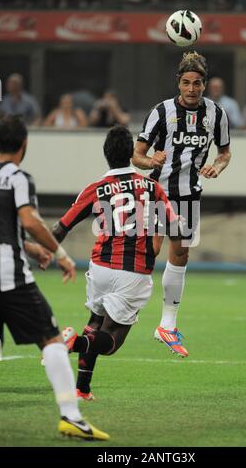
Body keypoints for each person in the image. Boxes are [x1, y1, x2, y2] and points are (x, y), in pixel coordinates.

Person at [0, 115, 109, 440]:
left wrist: (31, 250)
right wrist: (59, 254)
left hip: (8, 263)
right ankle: (71, 416)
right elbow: (29, 220)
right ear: (24, 145)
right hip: (8, 277)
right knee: (52, 340)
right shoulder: (18, 177)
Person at [52, 125, 180, 400]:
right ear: (131, 154)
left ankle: (82, 389)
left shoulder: (96, 188)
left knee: (95, 321)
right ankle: (71, 342)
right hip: (133, 272)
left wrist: (44, 251)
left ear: (106, 154)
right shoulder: (152, 187)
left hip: (99, 267)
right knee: (110, 342)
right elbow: (175, 227)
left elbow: (61, 228)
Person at [132, 51, 231, 358]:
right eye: (187, 83)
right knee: (150, 251)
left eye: (197, 83)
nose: (192, 89)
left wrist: (218, 165)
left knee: (181, 253)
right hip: (159, 191)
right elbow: (136, 155)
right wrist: (151, 161)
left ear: (205, 84)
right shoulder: (161, 112)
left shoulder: (216, 114)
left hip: (189, 194)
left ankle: (167, 325)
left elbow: (225, 152)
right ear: (179, 82)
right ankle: (119, 305)